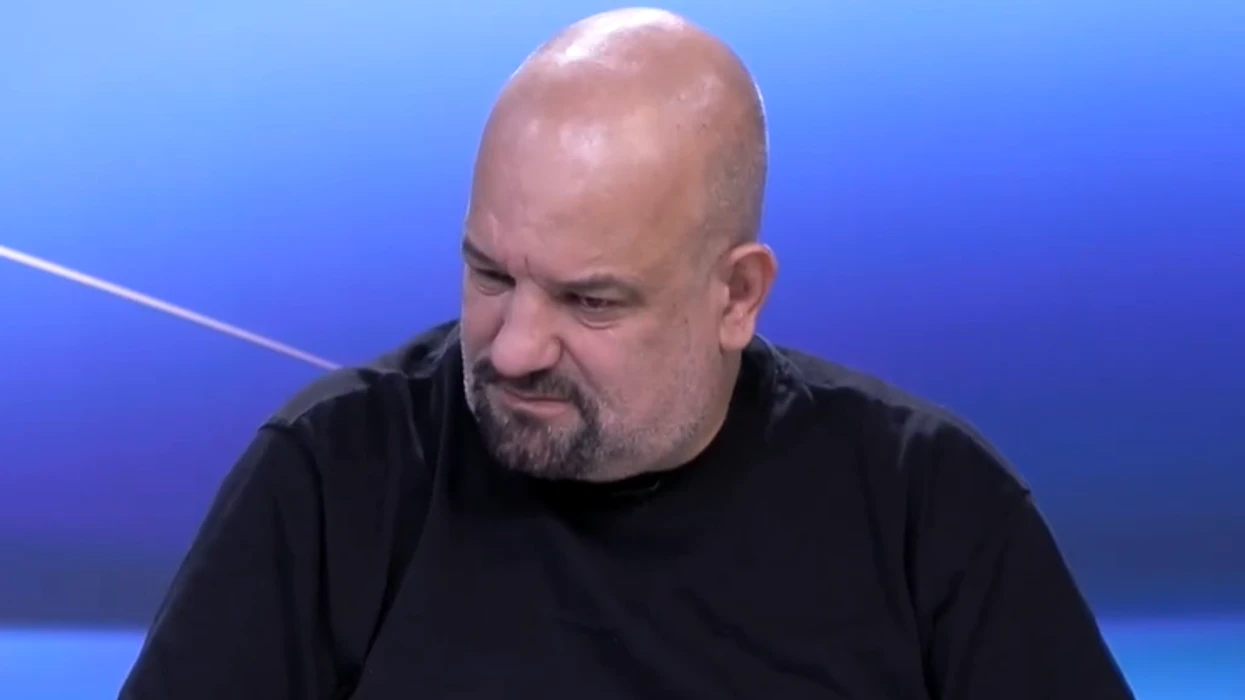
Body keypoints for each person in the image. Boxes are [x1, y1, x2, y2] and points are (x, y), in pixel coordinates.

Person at [119, 8, 1135, 700]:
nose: (514, 350)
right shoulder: (333, 480)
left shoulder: (929, 510)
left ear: (736, 295)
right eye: (489, 275)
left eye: (589, 300)